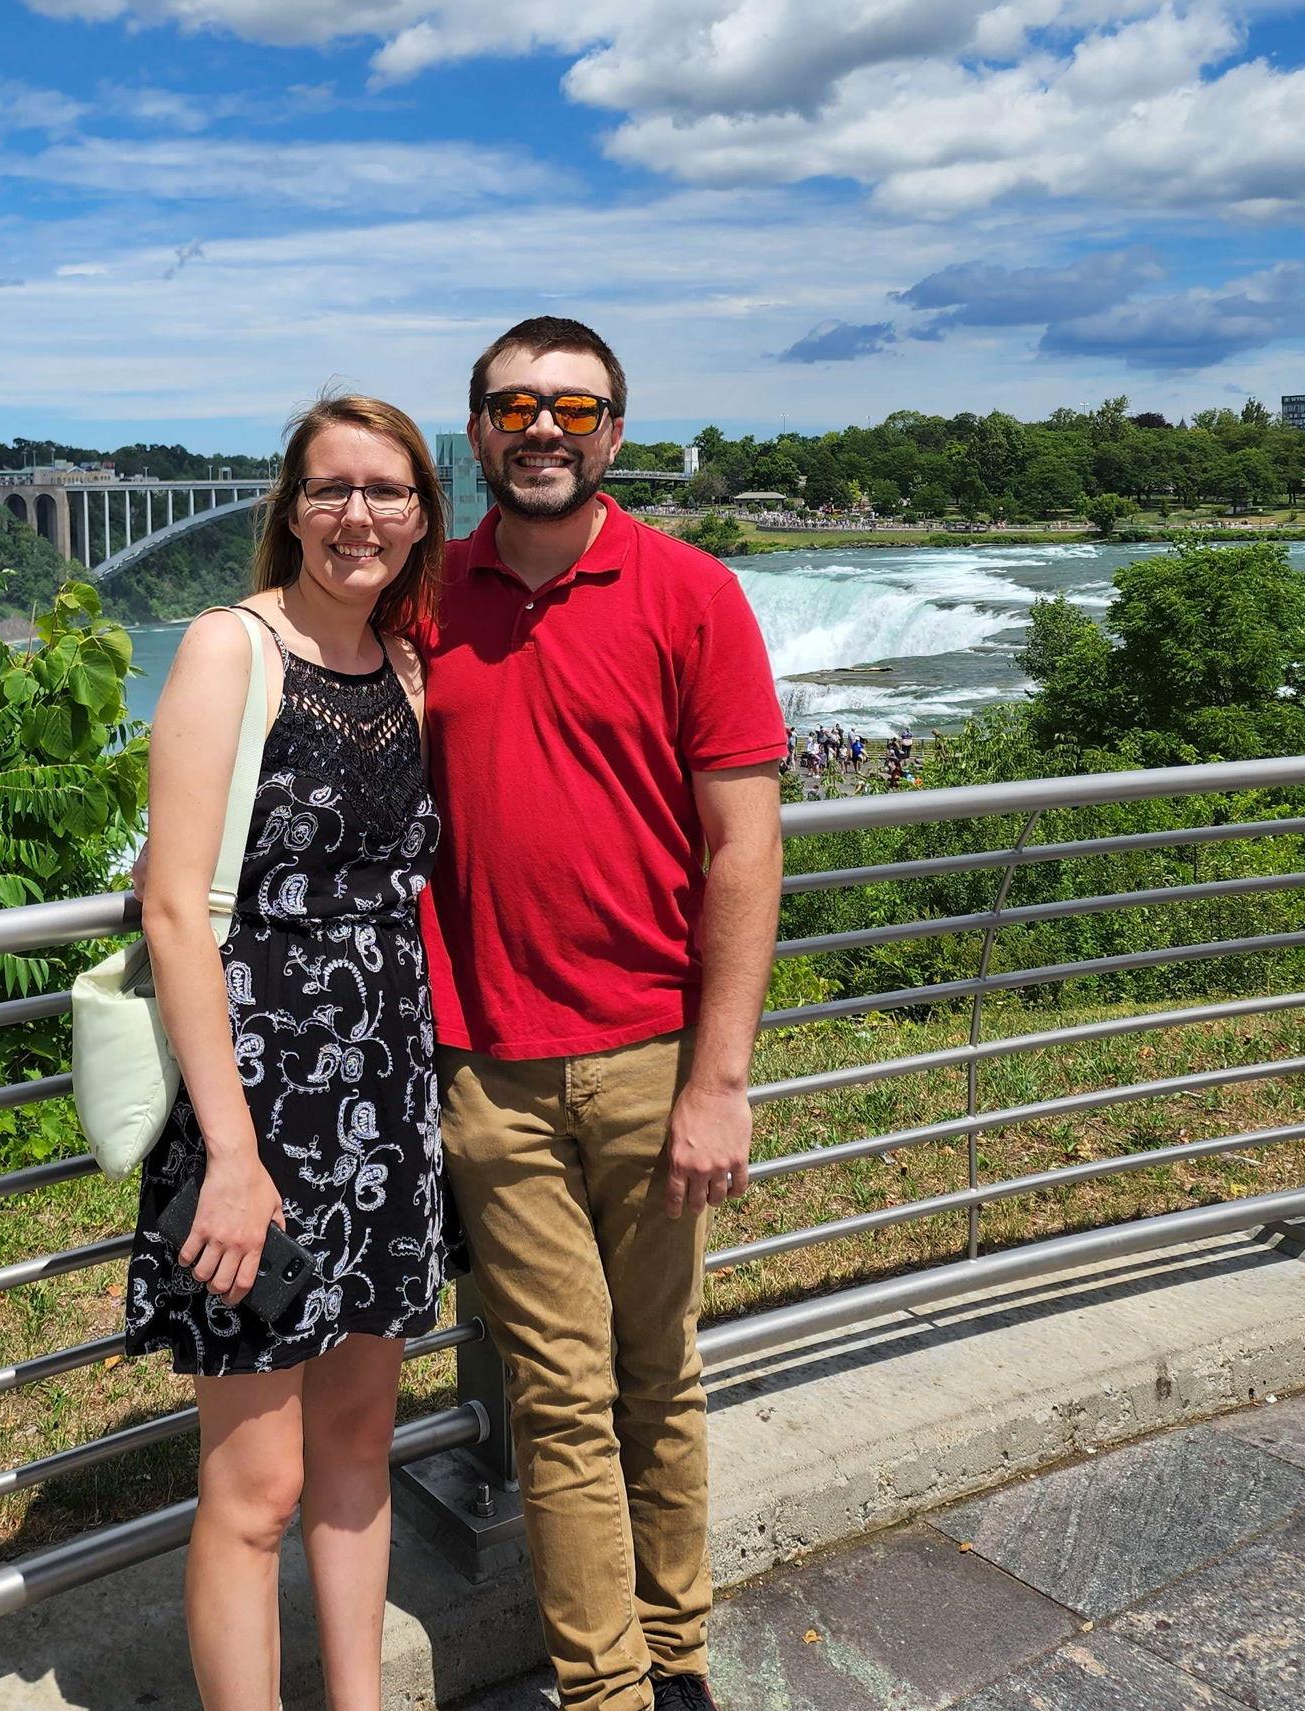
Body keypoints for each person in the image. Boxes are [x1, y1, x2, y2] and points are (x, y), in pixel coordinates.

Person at [423, 317, 787, 1711]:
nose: (543, 429)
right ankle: (610, 1691)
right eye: (514, 406)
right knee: (560, 1400)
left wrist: (719, 1078)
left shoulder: (694, 594)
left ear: (614, 435)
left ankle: (680, 1658)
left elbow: (744, 850)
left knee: (659, 1379)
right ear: (478, 434)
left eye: (574, 407)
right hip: (494, 1074)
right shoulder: (425, 600)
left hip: (652, 1059)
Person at [126, 396, 457, 1711]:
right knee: (255, 1485)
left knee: (362, 1446)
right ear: (290, 505)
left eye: (386, 490)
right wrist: (232, 1160)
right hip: (256, 1123)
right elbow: (172, 910)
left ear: (423, 513)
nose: (357, 515)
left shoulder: (409, 670)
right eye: (331, 490)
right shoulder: (229, 649)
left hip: (385, 1111)